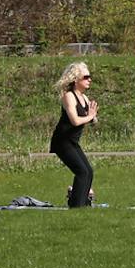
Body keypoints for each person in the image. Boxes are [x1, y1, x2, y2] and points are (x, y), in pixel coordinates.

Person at [49, 62, 98, 207]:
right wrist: (90, 116)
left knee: (88, 171)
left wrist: (93, 116)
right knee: (82, 172)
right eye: (86, 77)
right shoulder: (69, 96)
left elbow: (92, 119)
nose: (89, 80)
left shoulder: (84, 98)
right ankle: (77, 205)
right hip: (62, 142)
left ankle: (81, 202)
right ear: (76, 79)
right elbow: (75, 120)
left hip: (72, 142)